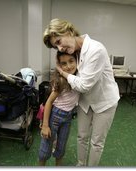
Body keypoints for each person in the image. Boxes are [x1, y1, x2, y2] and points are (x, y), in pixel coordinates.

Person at [43, 18, 120, 166]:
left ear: (68, 31)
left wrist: (61, 72)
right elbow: (71, 72)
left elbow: (84, 85)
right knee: (81, 136)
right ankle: (80, 164)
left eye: (58, 42)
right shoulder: (74, 51)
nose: (59, 49)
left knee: (96, 142)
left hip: (104, 102)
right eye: (55, 47)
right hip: (85, 101)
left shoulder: (96, 49)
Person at [38, 51, 79, 166]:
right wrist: (45, 125)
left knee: (61, 147)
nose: (69, 66)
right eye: (64, 64)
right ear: (60, 67)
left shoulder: (79, 79)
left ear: (77, 61)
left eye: (71, 61)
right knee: (46, 147)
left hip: (68, 117)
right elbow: (49, 102)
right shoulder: (61, 81)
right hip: (55, 115)